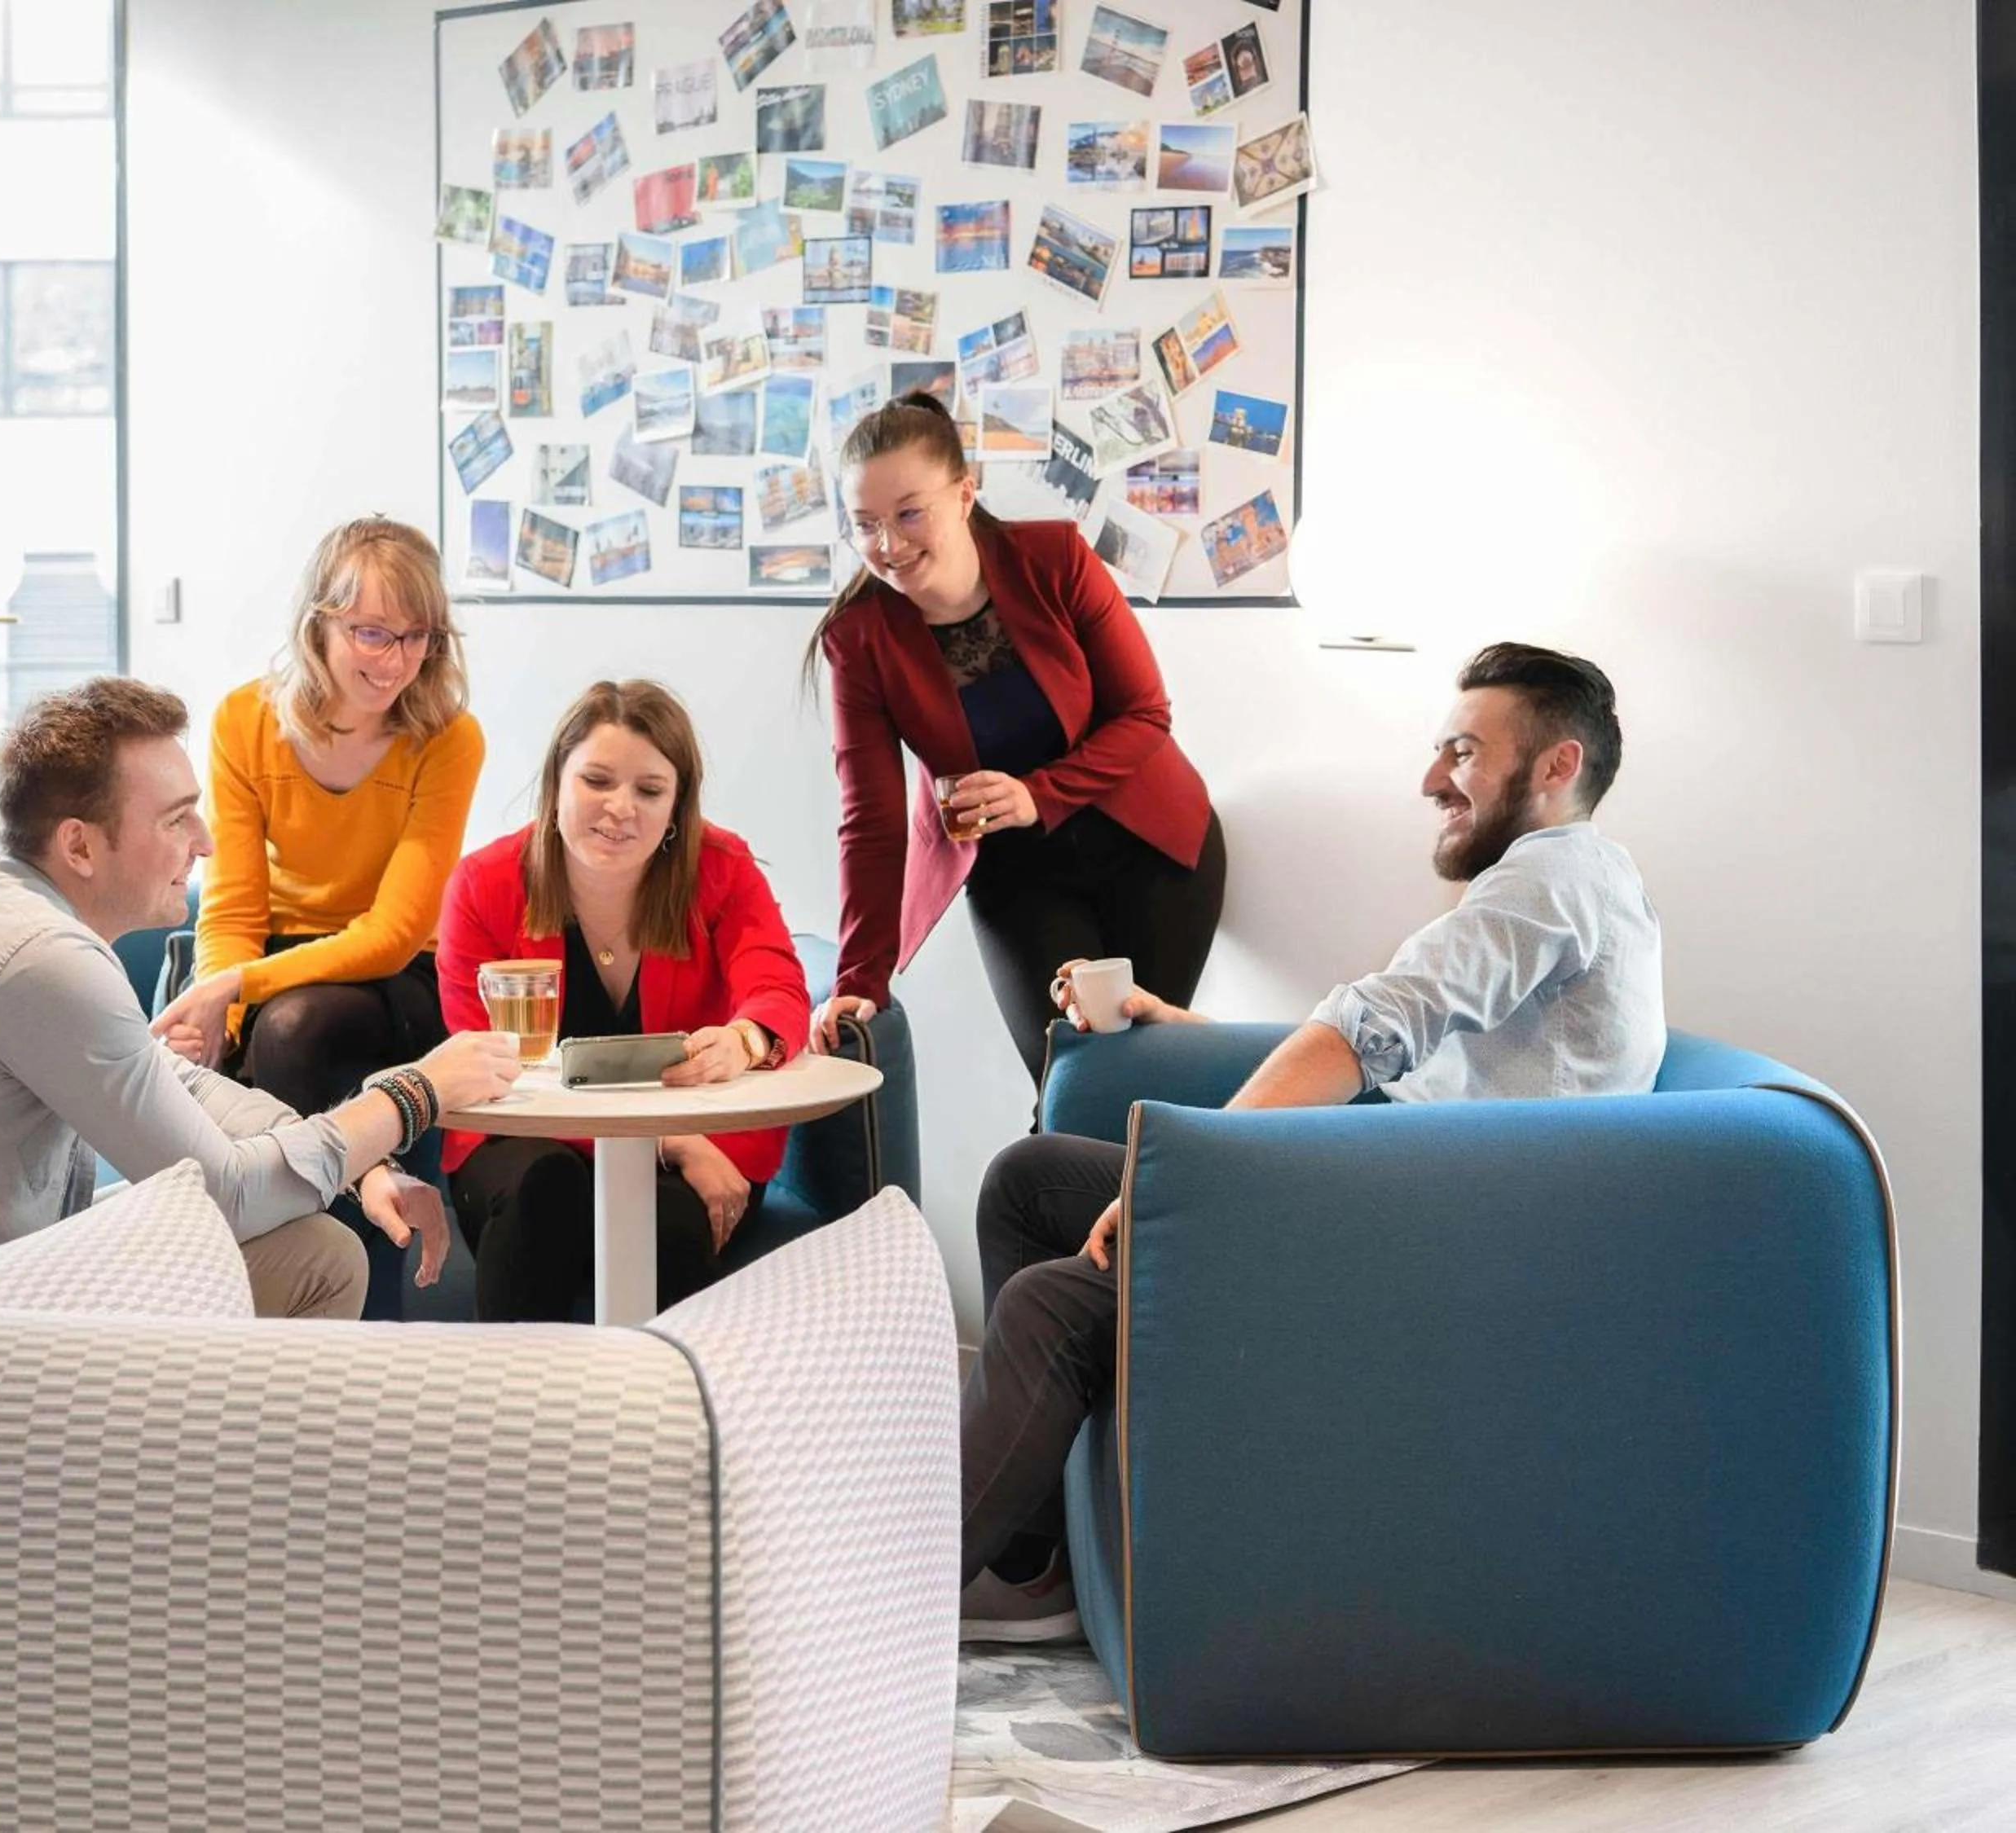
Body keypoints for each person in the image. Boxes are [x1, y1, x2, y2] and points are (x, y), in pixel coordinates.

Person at [959, 643, 1666, 1642]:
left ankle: (893, 1602)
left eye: (1462, 752)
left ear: (1558, 767)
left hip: (1442, 1232)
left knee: (1057, 1299)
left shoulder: (1551, 879)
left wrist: (1187, 1176)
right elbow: (1397, 1062)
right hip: (1398, 1180)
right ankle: (1037, 1568)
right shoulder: (1578, 883)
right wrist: (1183, 1026)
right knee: (1030, 1182)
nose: (1432, 781)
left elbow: (1373, 1024)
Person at [0, 678, 519, 1398]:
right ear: (80, 846)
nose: (206, 841)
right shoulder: (39, 958)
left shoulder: (11, 916)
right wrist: (414, 1093)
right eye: (177, 817)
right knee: (308, 1254)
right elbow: (229, 1194)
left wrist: (361, 1163)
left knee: (316, 1249)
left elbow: (178, 1085)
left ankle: (190, 1512)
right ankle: (196, 1516)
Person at [803, 392, 1225, 1092]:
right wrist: (859, 977)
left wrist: (1038, 793)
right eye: (865, 524)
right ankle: (1053, 1199)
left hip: (1150, 848)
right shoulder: (858, 640)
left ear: (965, 494)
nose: (889, 544)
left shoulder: (1056, 557)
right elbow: (871, 823)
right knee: (1072, 1084)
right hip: (1017, 874)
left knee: (1149, 1082)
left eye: (910, 513)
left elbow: (1145, 714)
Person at [436, 679, 812, 1321]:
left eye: (649, 791)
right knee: (543, 1191)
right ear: (556, 783)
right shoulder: (484, 884)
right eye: (598, 780)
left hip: (698, 1152)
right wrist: (670, 1142)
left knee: (664, 1226)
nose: (620, 808)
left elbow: (776, 986)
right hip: (524, 1138)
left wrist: (745, 1040)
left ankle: (665, 1420)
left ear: (677, 808)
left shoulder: (720, 868)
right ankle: (511, 1415)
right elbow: (485, 1073)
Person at [152, 517, 486, 1120]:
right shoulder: (243, 721)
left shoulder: (449, 739)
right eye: (372, 634)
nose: (397, 661)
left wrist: (234, 988)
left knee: (290, 1027)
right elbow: (232, 910)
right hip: (273, 955)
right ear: (318, 625)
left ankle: (309, 1215)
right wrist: (218, 1023)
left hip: (400, 975)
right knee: (195, 1052)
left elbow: (391, 935)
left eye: (417, 637)